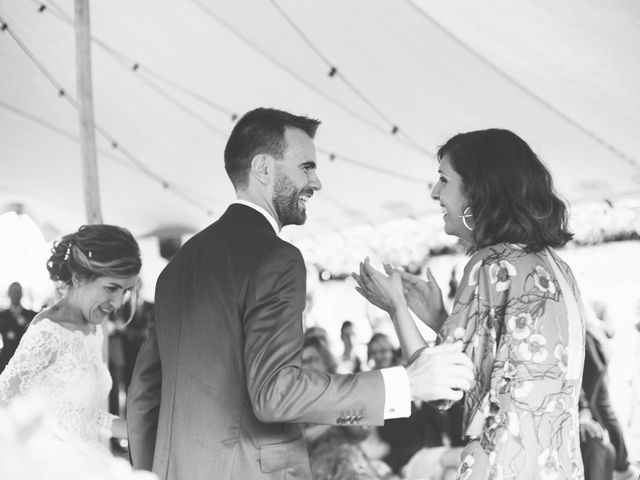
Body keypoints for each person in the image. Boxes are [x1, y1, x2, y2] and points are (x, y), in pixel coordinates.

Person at [126, 107, 475, 480]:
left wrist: (150, 472)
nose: (317, 182)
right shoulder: (274, 257)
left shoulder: (178, 266)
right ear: (264, 168)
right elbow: (275, 392)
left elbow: (144, 396)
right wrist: (403, 384)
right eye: (306, 167)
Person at [355, 129, 587, 478]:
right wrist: (439, 318)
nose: (435, 193)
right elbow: (502, 368)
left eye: (444, 180)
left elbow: (441, 389)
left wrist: (397, 308)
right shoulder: (556, 267)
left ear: (477, 191)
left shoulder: (490, 264)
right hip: (556, 465)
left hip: (501, 465)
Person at [0, 224, 147, 473]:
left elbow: (84, 415)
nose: (117, 302)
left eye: (125, 291)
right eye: (111, 288)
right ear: (79, 278)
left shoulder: (93, 328)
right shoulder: (49, 331)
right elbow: (4, 403)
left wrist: (137, 430)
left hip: (88, 457)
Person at [0, 282, 38, 373]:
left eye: (17, 292)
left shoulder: (31, 315)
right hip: (6, 360)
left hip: (26, 361)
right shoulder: (2, 315)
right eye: (13, 292)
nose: (15, 295)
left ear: (21, 294)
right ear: (8, 294)